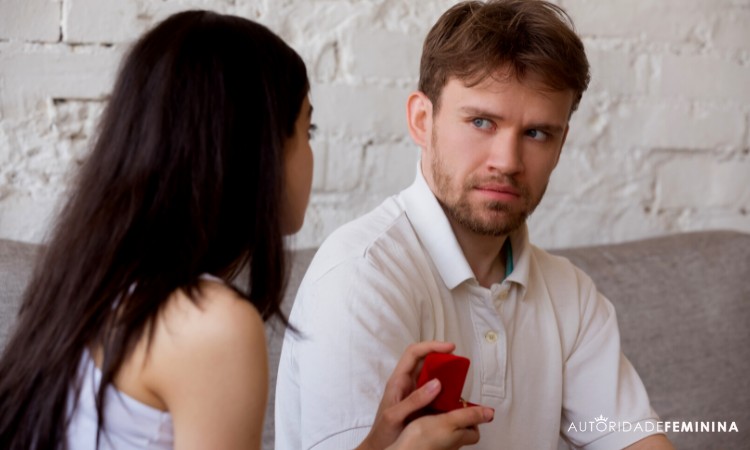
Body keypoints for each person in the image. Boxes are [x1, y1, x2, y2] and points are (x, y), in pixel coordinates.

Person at [0, 10, 492, 450]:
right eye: (308, 130)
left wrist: (381, 441)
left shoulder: (96, 291)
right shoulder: (209, 322)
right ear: (256, 151)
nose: (311, 154)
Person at [275, 1, 676, 449]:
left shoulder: (573, 296)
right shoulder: (362, 274)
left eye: (537, 133)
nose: (507, 162)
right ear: (422, 121)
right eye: (482, 122)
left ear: (562, 144)